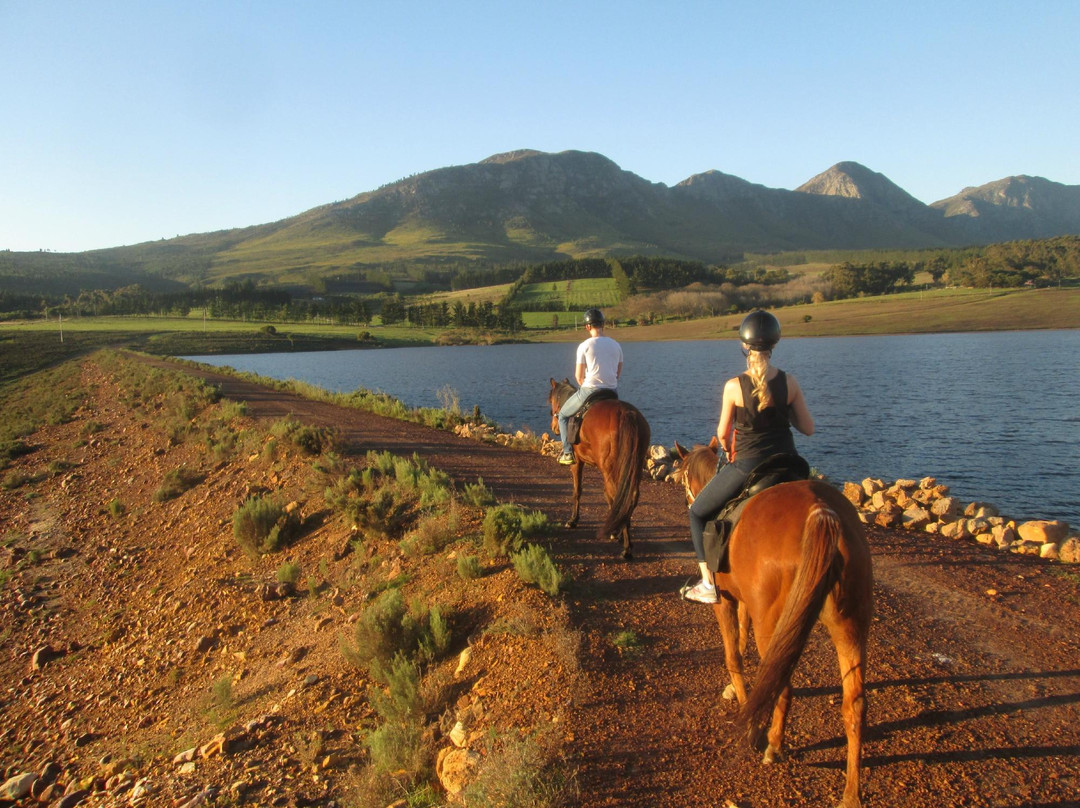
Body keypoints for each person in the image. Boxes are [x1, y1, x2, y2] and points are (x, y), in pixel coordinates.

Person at [681, 310, 815, 603]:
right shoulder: (790, 383)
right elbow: (808, 428)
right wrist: (783, 410)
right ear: (774, 346)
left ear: (744, 346)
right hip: (789, 462)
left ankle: (707, 584)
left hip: (748, 465)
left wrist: (728, 446)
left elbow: (722, 433)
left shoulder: (733, 387)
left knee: (697, 513)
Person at [556, 308, 623, 465]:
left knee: (563, 416)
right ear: (603, 325)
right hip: (612, 391)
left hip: (590, 390)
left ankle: (567, 453)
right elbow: (618, 373)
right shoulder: (616, 345)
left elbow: (578, 376)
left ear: (587, 327)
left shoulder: (584, 346)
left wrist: (585, 384)